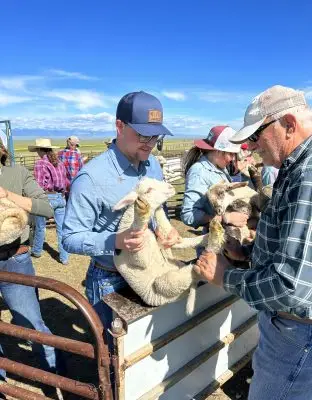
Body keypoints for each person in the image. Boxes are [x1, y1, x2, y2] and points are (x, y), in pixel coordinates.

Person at [194, 85, 312, 400]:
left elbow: (289, 285)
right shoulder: (295, 167)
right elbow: (295, 251)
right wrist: (245, 252)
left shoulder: (307, 176)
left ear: (289, 124)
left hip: (298, 334)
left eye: (256, 135)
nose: (251, 145)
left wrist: (225, 276)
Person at [62, 91, 181, 342]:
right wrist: (116, 241)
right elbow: (69, 237)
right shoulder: (91, 178)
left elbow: (158, 208)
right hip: (110, 279)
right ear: (119, 126)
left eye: (155, 136)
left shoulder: (153, 166)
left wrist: (165, 229)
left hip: (149, 268)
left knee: (145, 348)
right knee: (115, 357)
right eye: (142, 134)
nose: (150, 143)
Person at [0, 140, 65, 390]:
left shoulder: (17, 174)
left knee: (31, 323)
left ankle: (57, 380)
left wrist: (7, 195)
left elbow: (46, 207)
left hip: (14, 259)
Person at [181, 126, 249, 240]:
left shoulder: (220, 168)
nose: (232, 159)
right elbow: (188, 214)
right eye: (231, 154)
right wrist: (225, 218)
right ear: (218, 150)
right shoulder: (199, 171)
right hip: (215, 242)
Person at [29, 138, 69, 265]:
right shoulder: (59, 162)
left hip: (47, 197)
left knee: (40, 226)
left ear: (40, 150)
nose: (36, 153)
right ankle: (64, 257)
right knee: (61, 228)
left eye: (37, 150)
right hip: (60, 197)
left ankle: (37, 251)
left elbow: (40, 184)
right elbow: (66, 181)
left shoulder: (40, 163)